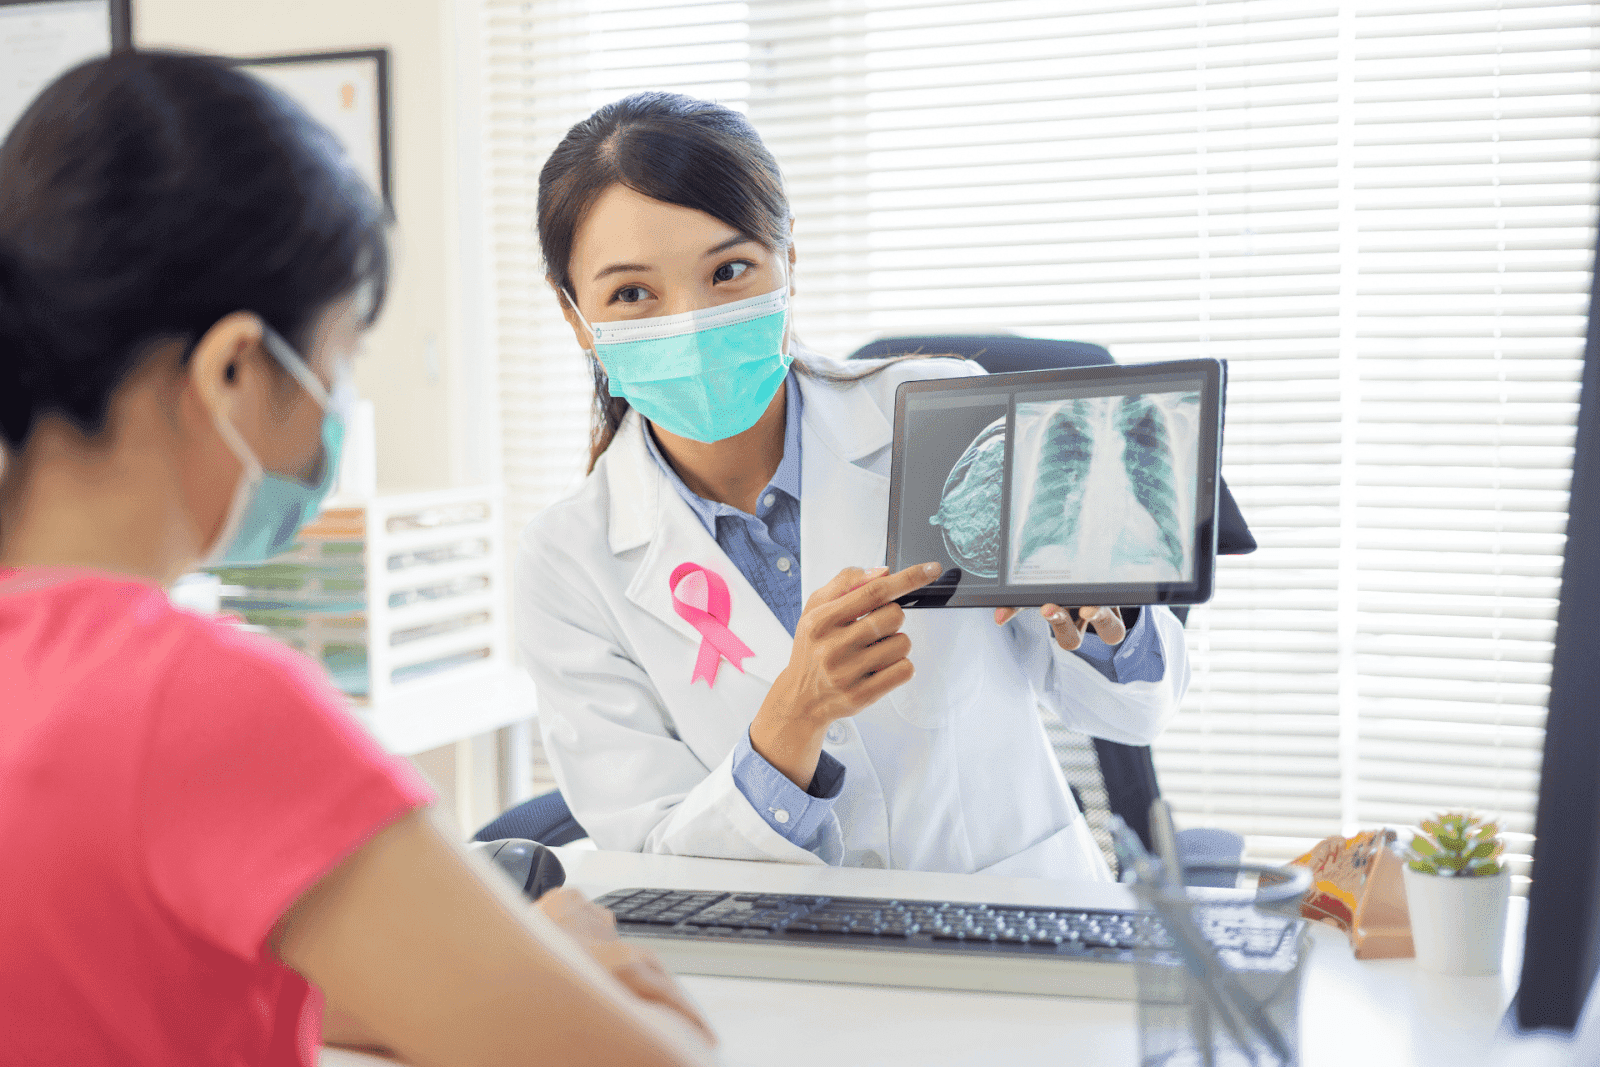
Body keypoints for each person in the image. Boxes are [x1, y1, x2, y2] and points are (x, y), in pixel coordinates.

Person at [0, 53, 715, 1066]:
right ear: (238, 368)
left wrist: (447, 978)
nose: (337, 409)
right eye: (338, 356)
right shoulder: (192, 701)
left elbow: (108, 961)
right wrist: (527, 968)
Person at [516, 92, 1191, 880]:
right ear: (575, 316)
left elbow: (1135, 711)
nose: (692, 320)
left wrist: (1113, 619)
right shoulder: (567, 560)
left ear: (788, 263)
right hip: (788, 971)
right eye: (633, 293)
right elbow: (655, 865)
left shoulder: (940, 419)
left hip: (1023, 926)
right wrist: (792, 718)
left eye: (729, 270)